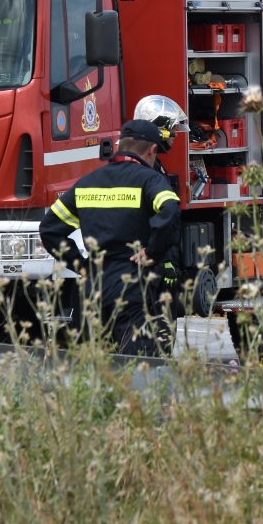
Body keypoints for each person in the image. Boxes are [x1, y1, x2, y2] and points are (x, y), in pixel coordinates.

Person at [39, 119, 182, 356]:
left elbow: (49, 229)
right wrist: (152, 252)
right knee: (138, 359)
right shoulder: (150, 179)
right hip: (132, 280)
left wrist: (81, 266)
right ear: (153, 150)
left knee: (96, 362)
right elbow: (170, 210)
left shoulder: (87, 183)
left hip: (93, 284)